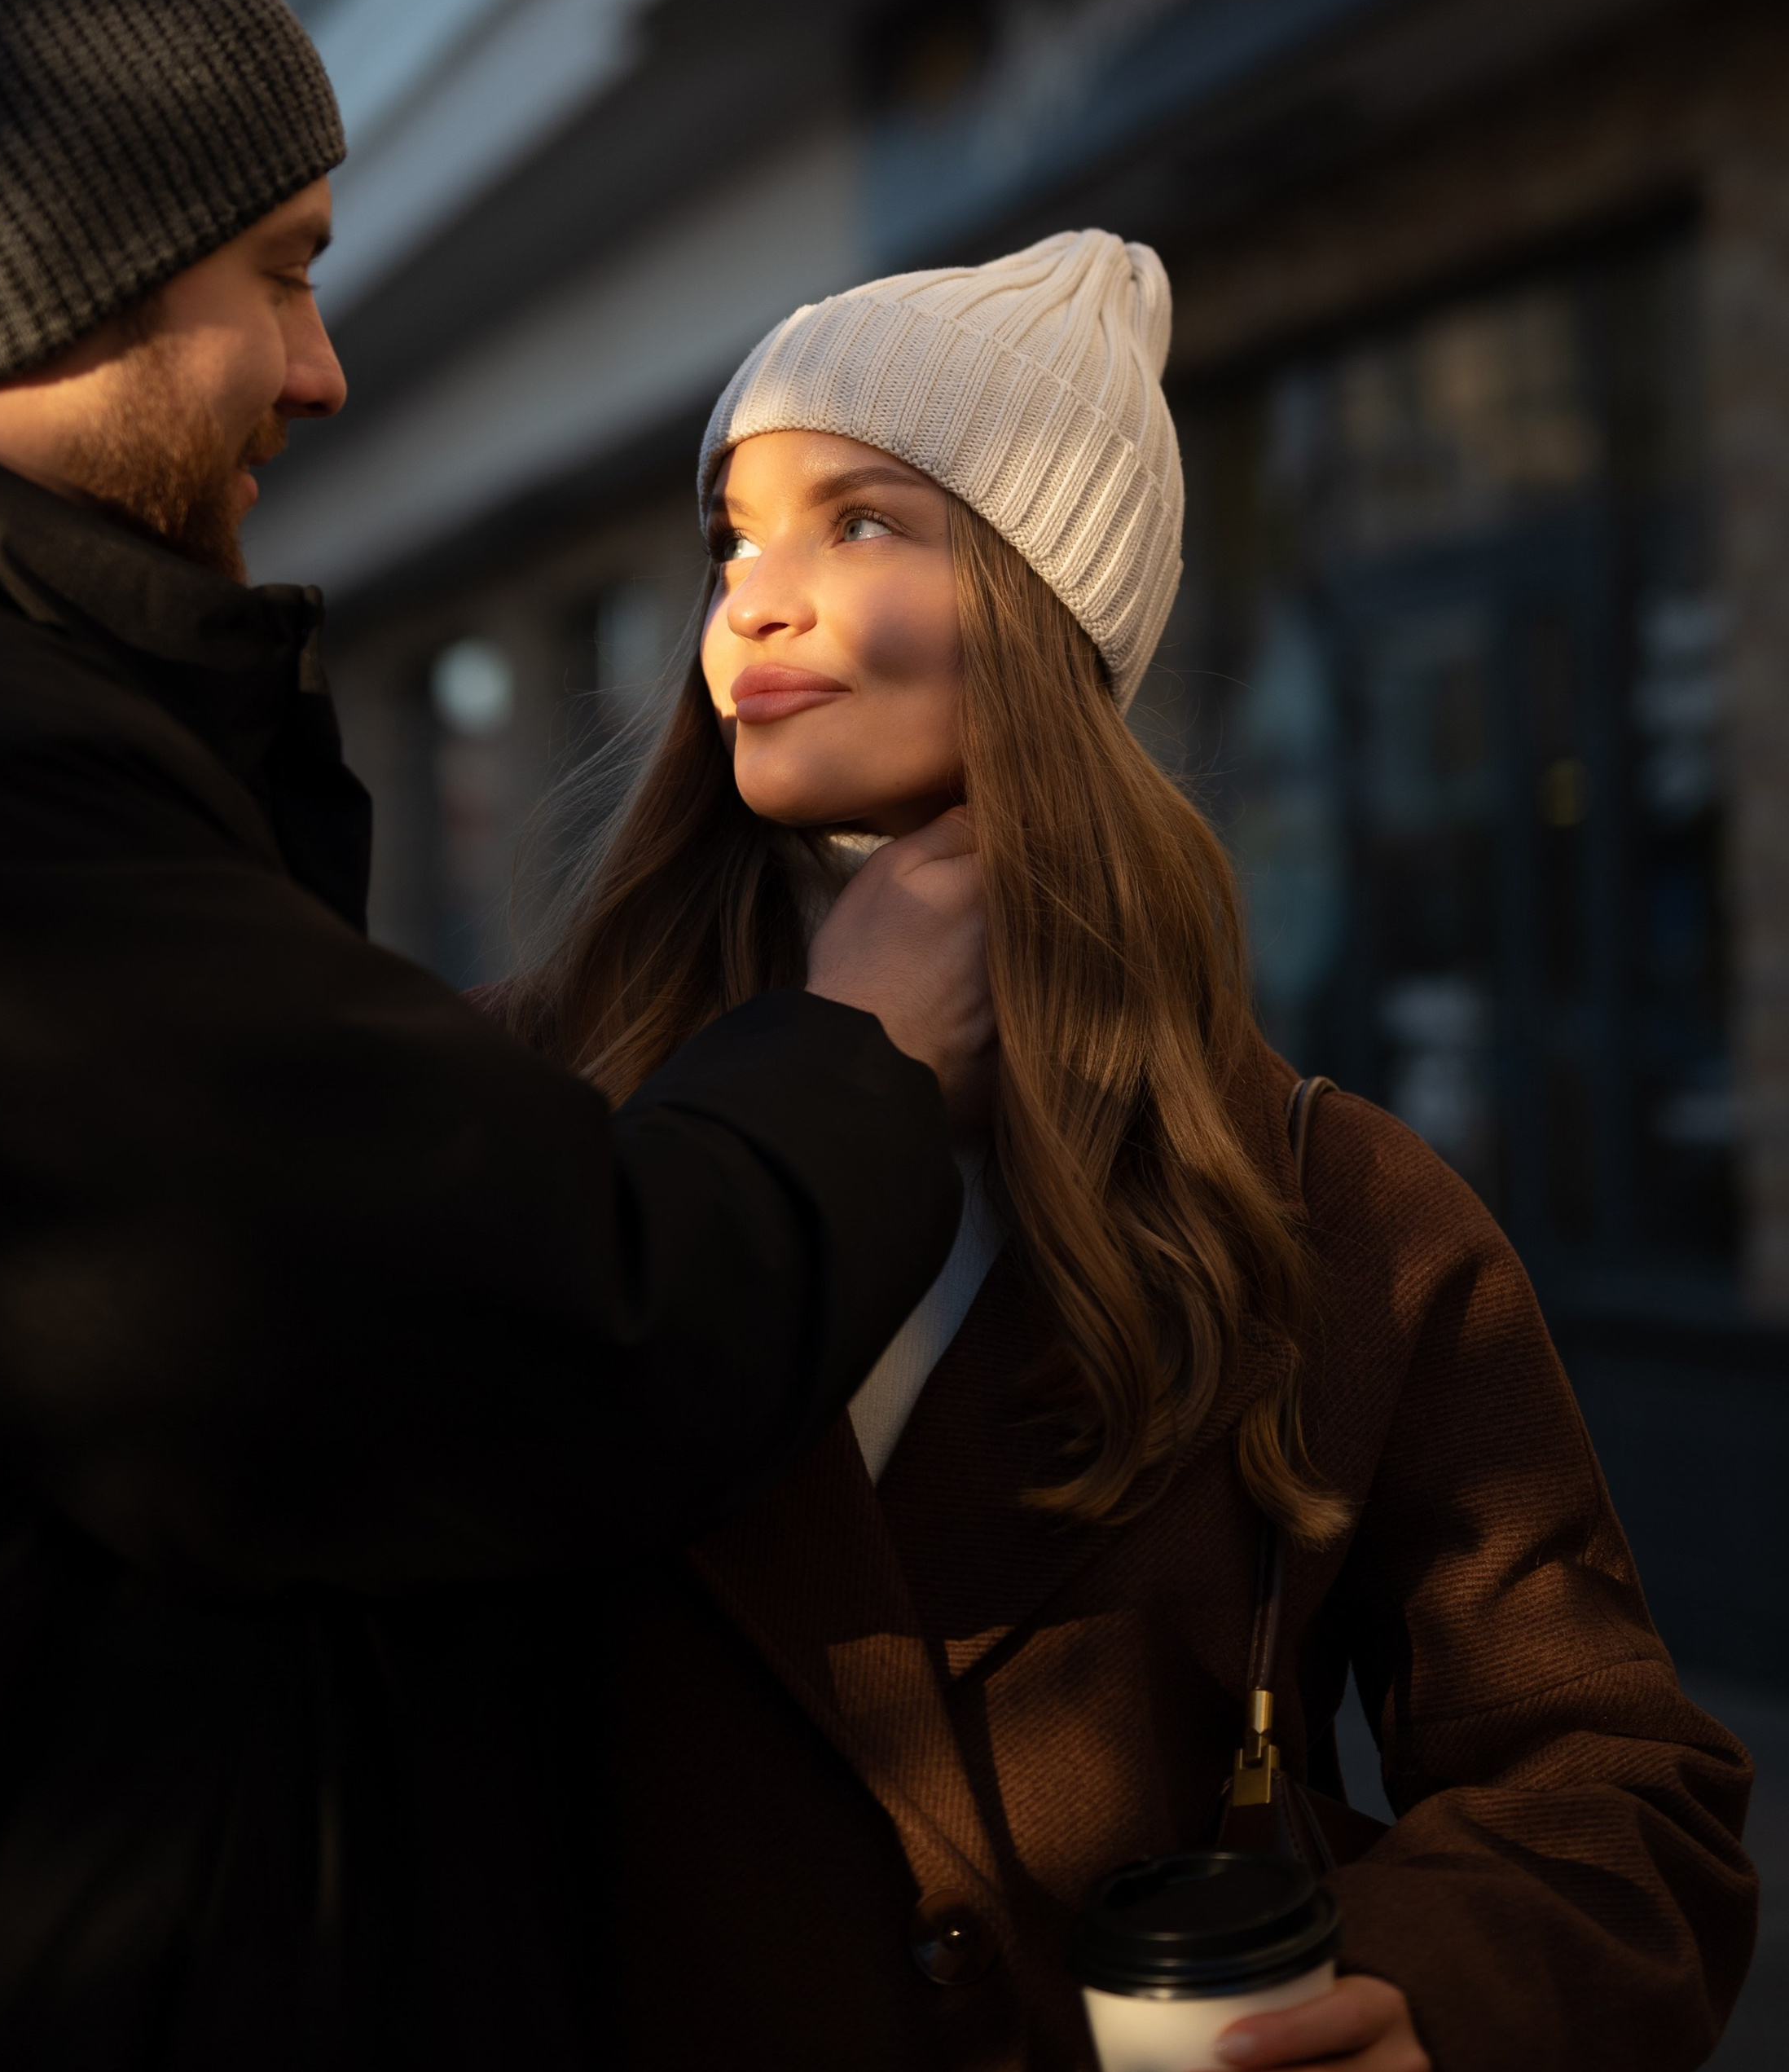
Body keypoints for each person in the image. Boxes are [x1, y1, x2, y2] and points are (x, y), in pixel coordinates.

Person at [0, 0, 995, 2070]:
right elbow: (559, 1334)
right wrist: (869, 1033)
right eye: (280, 271)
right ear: (58, 275)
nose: (322, 363)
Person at [505, 228, 1759, 2072]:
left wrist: (1422, 1988)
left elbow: (1612, 1780)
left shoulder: (1327, 1202)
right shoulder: (522, 1111)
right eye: (732, 537)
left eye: (859, 523)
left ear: (1039, 601)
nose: (753, 603)